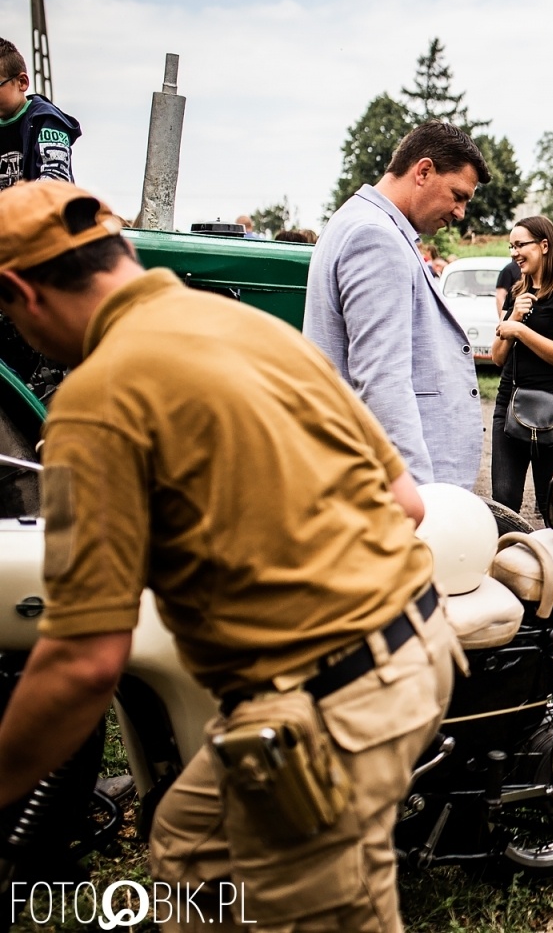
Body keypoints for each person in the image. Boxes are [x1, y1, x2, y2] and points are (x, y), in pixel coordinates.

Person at [0, 181, 455, 929]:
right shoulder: (251, 327)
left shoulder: (96, 398)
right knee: (189, 849)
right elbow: (405, 504)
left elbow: (83, 662)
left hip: (326, 705)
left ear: (19, 290)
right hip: (422, 643)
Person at [306, 120, 487, 490]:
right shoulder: (375, 237)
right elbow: (381, 378)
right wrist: (416, 491)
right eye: (458, 195)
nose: (460, 212)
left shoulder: (360, 222)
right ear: (423, 171)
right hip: (400, 491)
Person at [490, 217, 553, 522]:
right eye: (511, 246)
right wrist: (515, 317)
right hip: (510, 402)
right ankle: (505, 563)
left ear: (544, 245)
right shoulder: (519, 292)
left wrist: (520, 331)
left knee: (552, 503)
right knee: (503, 500)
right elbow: (497, 357)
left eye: (520, 245)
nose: (514, 252)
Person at [0, 38, 80, 190]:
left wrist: (13, 203)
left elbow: (56, 179)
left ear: (21, 82)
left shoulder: (47, 122)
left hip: (42, 211)